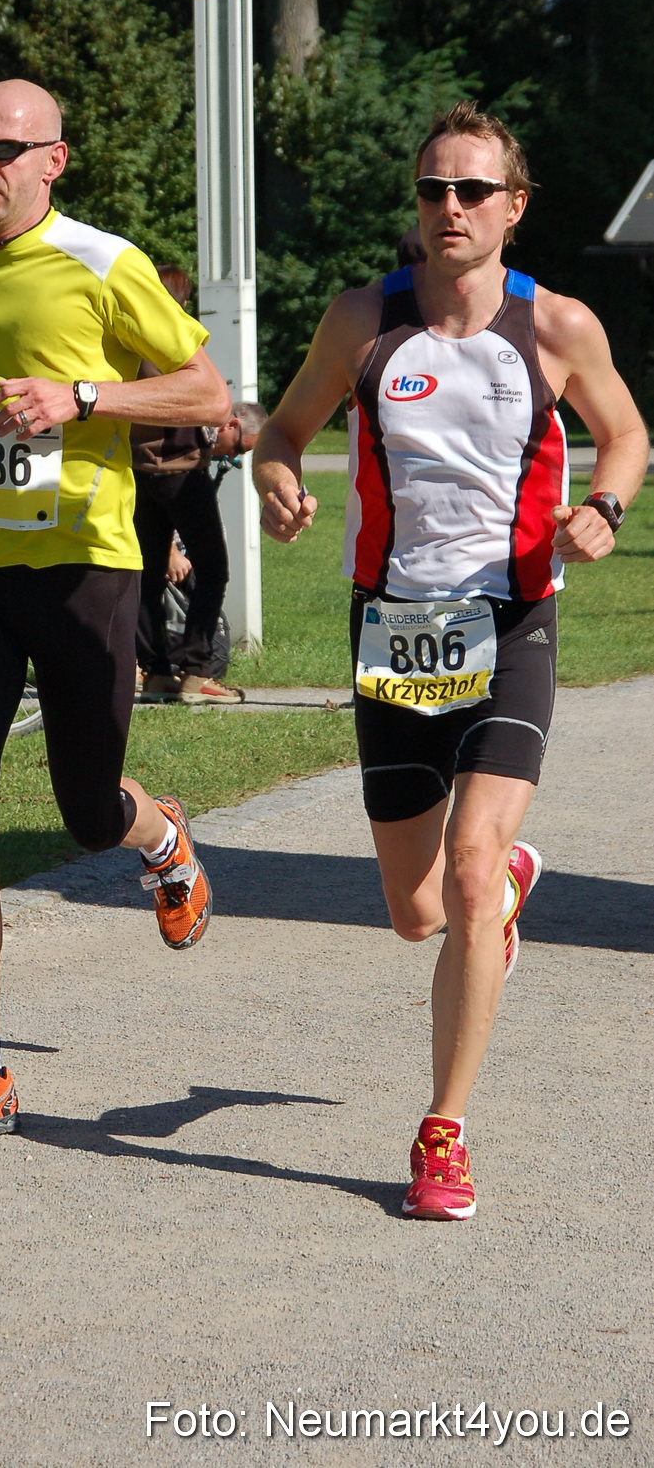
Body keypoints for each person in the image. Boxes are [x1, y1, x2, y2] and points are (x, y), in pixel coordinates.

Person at [252, 99, 648, 1219]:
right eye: (433, 189)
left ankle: (442, 1132)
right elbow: (283, 432)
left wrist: (606, 507)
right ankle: (507, 891)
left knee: (468, 873)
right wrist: (279, 479)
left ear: (513, 208)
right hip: (393, 633)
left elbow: (627, 431)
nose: (450, 209)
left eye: (473, 190)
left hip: (512, 623)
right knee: (415, 911)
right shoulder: (360, 321)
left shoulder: (557, 328)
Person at [0, 78, 232, 1145]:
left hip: (86, 565)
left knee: (87, 809)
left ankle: (160, 837)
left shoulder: (104, 262)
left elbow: (206, 394)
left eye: (5, 149)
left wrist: (83, 399)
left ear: (53, 161)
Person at [131, 271, 267, 701]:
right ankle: (195, 670)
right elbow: (205, 396)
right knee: (213, 570)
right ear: (179, 302)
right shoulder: (176, 339)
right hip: (181, 468)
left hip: (136, 469)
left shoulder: (126, 343)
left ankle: (154, 672)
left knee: (146, 577)